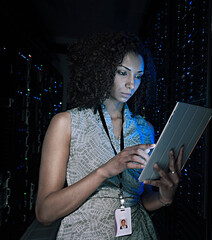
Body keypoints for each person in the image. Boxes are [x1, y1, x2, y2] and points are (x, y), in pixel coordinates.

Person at [35, 32, 184, 239]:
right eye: (123, 73)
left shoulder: (144, 129)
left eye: (138, 76)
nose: (131, 84)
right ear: (103, 70)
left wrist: (164, 197)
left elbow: (138, 200)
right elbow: (44, 213)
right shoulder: (66, 123)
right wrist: (105, 171)